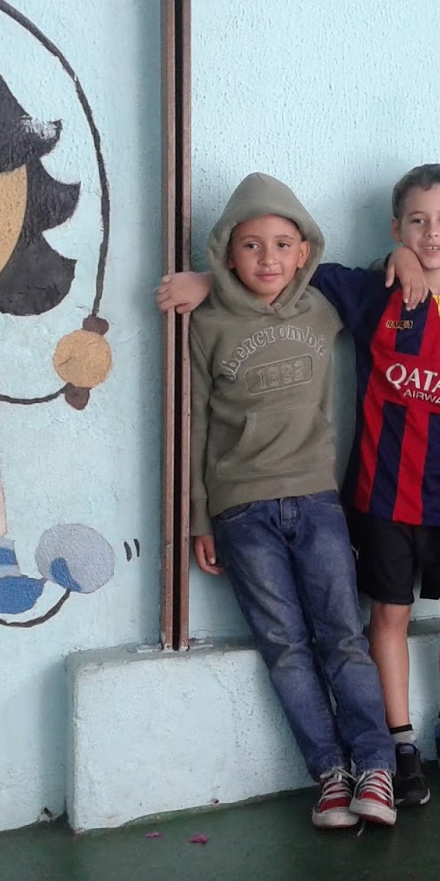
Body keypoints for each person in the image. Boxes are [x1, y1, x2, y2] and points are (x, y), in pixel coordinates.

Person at [160, 164, 440, 809]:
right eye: (416, 222)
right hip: (373, 495)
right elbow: (279, 279)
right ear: (396, 228)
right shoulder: (369, 294)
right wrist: (209, 280)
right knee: (372, 619)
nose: (430, 233)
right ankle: (393, 749)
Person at [159, 172, 402, 830]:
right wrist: (197, 517)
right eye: (250, 246)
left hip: (318, 502)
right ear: (227, 252)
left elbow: (382, 281)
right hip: (241, 512)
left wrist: (402, 257)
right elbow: (194, 422)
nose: (268, 259)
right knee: (284, 646)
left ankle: (375, 767)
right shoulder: (207, 324)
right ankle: (330, 776)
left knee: (343, 635)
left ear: (304, 252)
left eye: (283, 245)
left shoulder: (321, 307)